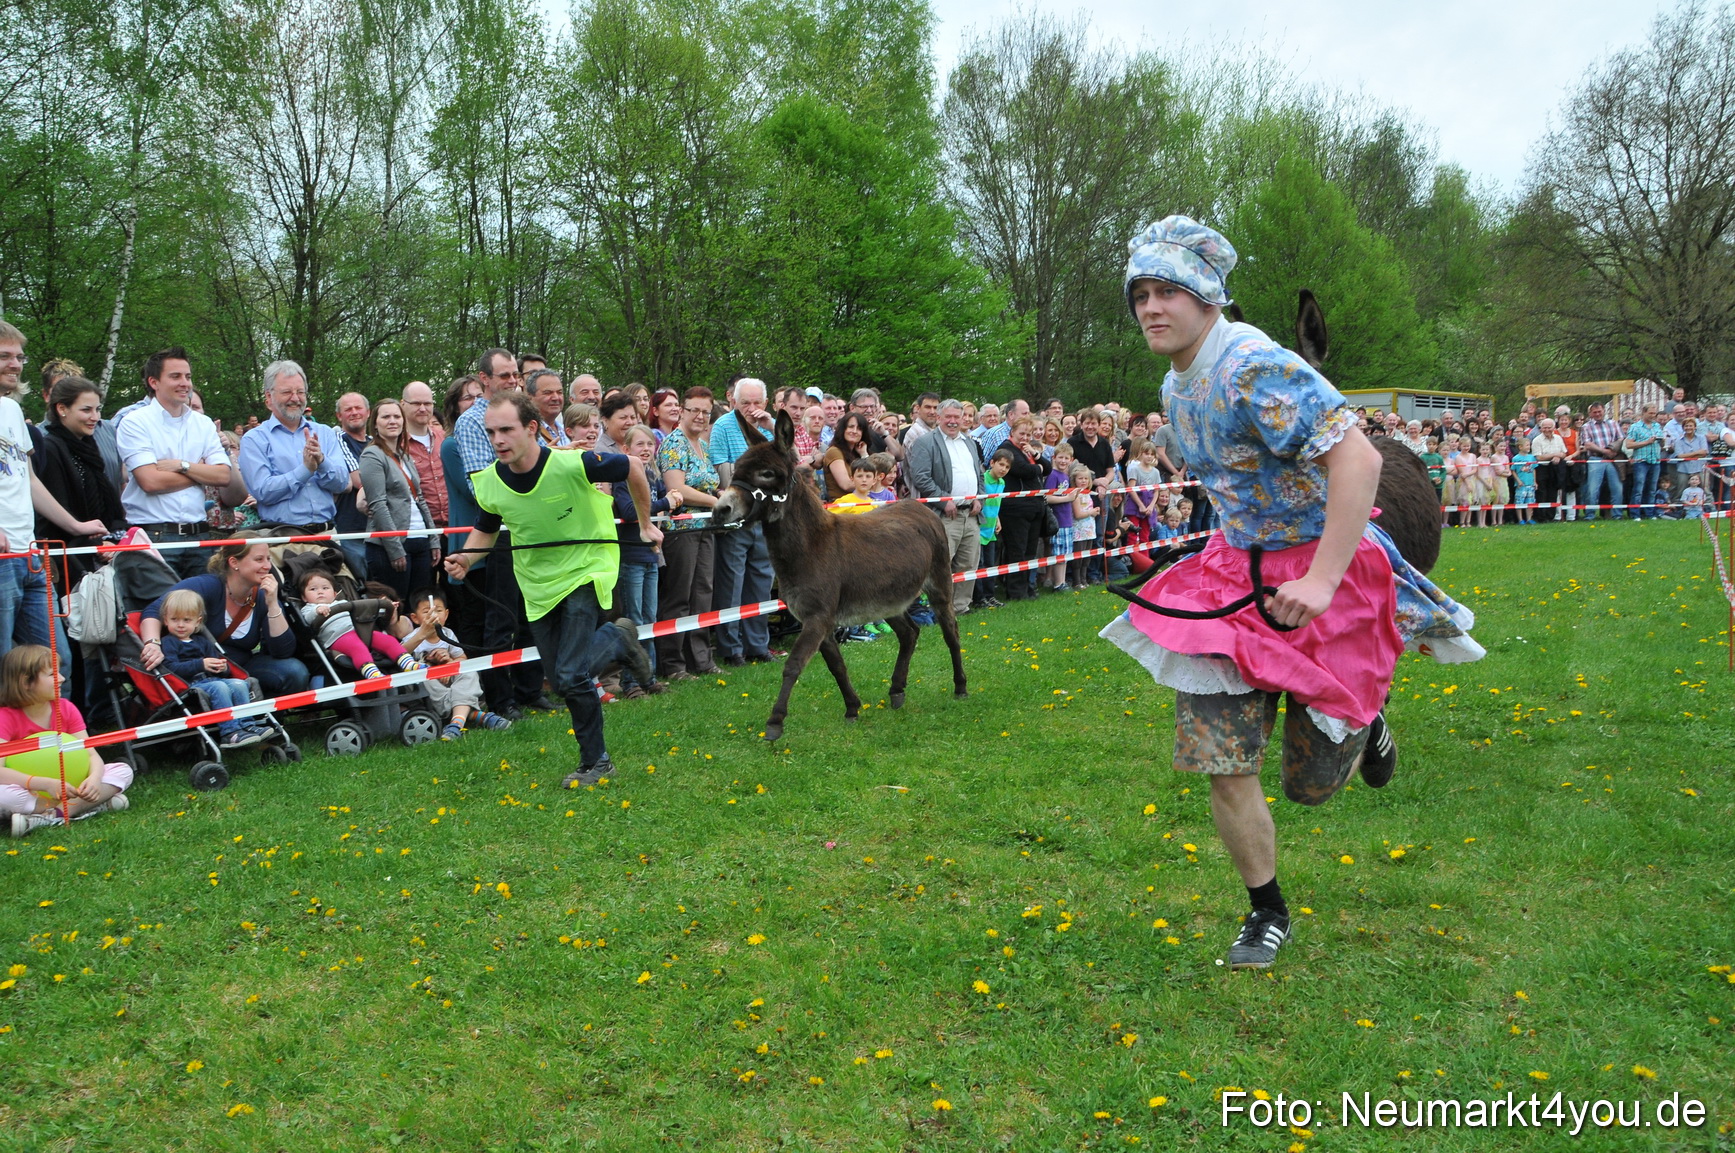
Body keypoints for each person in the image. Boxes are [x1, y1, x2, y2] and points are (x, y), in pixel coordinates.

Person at [1097, 216, 1481, 971]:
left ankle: (1365, 720)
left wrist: (1320, 578)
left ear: (1207, 296)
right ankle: (1265, 910)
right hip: (1233, 579)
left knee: (1308, 786)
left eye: (1167, 289)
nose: (1149, 306)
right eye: (1139, 292)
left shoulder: (1253, 366)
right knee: (1220, 757)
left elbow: (1360, 459)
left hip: (1324, 576)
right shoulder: (1175, 384)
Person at [444, 392, 663, 786]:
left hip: (586, 569)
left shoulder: (570, 463)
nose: (498, 440)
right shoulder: (490, 482)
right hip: (538, 584)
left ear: (530, 428)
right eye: (491, 432)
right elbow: (487, 528)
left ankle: (596, 762)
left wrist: (645, 524)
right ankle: (617, 639)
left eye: (506, 430)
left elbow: (632, 465)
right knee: (563, 681)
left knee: (570, 672)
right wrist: (466, 558)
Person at [451, 348, 551, 720]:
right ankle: (501, 699)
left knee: (531, 612)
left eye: (516, 375)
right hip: (499, 531)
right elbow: (484, 485)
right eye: (504, 376)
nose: (513, 381)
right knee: (502, 617)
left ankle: (530, 690)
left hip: (532, 528)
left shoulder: (526, 417)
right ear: (484, 380)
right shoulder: (472, 422)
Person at [114, 346, 234, 580]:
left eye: (188, 377)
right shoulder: (134, 423)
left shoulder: (203, 423)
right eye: (175, 376)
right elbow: (150, 481)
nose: (185, 383)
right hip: (155, 536)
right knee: (154, 613)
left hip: (199, 535)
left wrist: (182, 465)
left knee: (200, 613)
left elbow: (223, 477)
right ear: (154, 382)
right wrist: (200, 470)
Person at [139, 536, 310, 697]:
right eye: (259, 559)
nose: (267, 566)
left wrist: (272, 604)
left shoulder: (262, 595)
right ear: (234, 562)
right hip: (197, 669)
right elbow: (153, 610)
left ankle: (264, 720)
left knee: (295, 671)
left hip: (239, 667)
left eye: (268, 559)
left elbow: (283, 651)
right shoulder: (206, 585)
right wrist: (153, 644)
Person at [1, 645, 132, 837]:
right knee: (3, 795)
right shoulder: (5, 717)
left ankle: (50, 815)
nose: (62, 679)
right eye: (52, 674)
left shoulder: (66, 708)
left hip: (73, 783)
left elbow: (90, 753)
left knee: (123, 770)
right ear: (26, 682)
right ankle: (86, 807)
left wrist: (94, 779)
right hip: (30, 790)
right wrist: (43, 784)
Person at [238, 361, 357, 541]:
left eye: (300, 392)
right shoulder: (254, 439)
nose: (295, 398)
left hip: (327, 535)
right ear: (268, 398)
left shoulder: (324, 433)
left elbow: (343, 484)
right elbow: (262, 492)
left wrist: (322, 462)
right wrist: (305, 470)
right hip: (281, 539)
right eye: (287, 392)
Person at [708, 377, 778, 667]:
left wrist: (772, 427)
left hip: (766, 516)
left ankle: (758, 645)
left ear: (765, 403)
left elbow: (787, 463)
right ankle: (731, 647)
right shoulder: (724, 426)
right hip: (738, 515)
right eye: (745, 402)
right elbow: (722, 472)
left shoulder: (771, 428)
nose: (752, 408)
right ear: (733, 402)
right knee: (732, 582)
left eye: (757, 402)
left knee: (761, 581)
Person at [657, 387, 721, 681]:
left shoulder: (703, 446)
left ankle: (702, 659)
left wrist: (724, 496)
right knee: (679, 596)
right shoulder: (674, 444)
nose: (700, 416)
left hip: (706, 527)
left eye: (705, 411)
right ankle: (673, 663)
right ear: (682, 411)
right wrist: (714, 501)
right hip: (681, 530)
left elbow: (709, 484)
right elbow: (677, 489)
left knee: (703, 593)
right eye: (694, 410)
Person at [37, 375, 127, 584]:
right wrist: (99, 543)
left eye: (97, 410)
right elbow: (59, 513)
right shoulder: (50, 449)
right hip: (67, 560)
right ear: (62, 409)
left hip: (97, 551)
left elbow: (108, 500)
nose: (94, 417)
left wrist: (112, 539)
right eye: (86, 410)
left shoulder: (89, 446)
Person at [156, 588, 272, 748]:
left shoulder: (202, 642)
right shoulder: (169, 642)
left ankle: (247, 724)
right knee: (220, 687)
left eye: (186, 620)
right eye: (175, 619)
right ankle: (229, 732)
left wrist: (221, 667)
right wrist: (201, 664)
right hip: (190, 685)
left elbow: (220, 667)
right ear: (166, 621)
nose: (180, 625)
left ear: (197, 622)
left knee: (239, 684)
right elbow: (171, 668)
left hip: (213, 679)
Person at [397, 587, 511, 740]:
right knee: (423, 678)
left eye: (438, 610)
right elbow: (398, 655)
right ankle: (473, 715)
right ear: (415, 618)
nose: (433, 616)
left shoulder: (448, 634)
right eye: (426, 612)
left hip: (450, 680)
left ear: (446, 614)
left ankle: (456, 724)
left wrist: (449, 663)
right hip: (429, 685)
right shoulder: (412, 638)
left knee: (469, 671)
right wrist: (422, 635)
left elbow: (462, 659)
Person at [905, 398, 985, 615]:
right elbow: (920, 477)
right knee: (939, 565)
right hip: (943, 516)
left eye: (956, 417)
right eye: (948, 417)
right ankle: (934, 608)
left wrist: (980, 498)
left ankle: (961, 607)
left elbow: (979, 475)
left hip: (971, 514)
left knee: (968, 564)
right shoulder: (925, 443)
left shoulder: (969, 443)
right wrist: (943, 499)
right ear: (938, 417)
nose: (952, 421)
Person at [612, 425, 676, 696]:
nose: (646, 449)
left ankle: (648, 678)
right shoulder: (621, 477)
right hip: (631, 557)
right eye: (639, 445)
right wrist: (666, 502)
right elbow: (628, 510)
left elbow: (668, 503)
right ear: (626, 449)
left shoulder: (653, 476)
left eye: (650, 444)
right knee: (633, 619)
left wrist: (673, 501)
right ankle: (630, 682)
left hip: (652, 555)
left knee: (650, 617)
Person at [360, 398, 439, 601]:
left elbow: (419, 498)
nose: (392, 421)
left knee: (419, 606)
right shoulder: (372, 455)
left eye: (396, 416)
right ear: (375, 424)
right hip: (390, 547)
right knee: (395, 609)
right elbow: (377, 504)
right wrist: (395, 549)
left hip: (420, 539)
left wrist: (433, 538)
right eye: (386, 417)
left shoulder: (403, 455)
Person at [299, 569, 422, 679]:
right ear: (304, 597)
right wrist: (318, 610)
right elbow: (308, 618)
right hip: (338, 638)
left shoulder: (342, 602)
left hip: (360, 631)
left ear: (335, 594)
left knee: (387, 640)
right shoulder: (308, 608)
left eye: (325, 588)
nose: (320, 592)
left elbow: (363, 612)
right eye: (313, 589)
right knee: (357, 647)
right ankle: (372, 673)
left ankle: (408, 663)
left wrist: (383, 609)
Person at [401, 381, 448, 531]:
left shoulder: (446, 439)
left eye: (427, 403)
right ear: (403, 404)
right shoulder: (395, 445)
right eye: (416, 403)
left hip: (453, 527)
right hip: (418, 530)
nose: (422, 409)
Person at [1577, 403, 1625, 520]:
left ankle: (1617, 515)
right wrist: (1604, 451)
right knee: (1593, 489)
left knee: (1617, 488)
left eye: (1599, 411)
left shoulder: (1613, 423)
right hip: (1595, 459)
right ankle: (1590, 515)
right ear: (1590, 414)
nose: (1597, 414)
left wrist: (1613, 449)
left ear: (1604, 410)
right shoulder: (1586, 427)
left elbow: (1621, 438)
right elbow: (1587, 444)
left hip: (1613, 459)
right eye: (1594, 412)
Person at [528, 370, 569, 446]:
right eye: (548, 393)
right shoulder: (526, 432)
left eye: (559, 392)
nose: (556, 398)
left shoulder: (565, 430)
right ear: (530, 397)